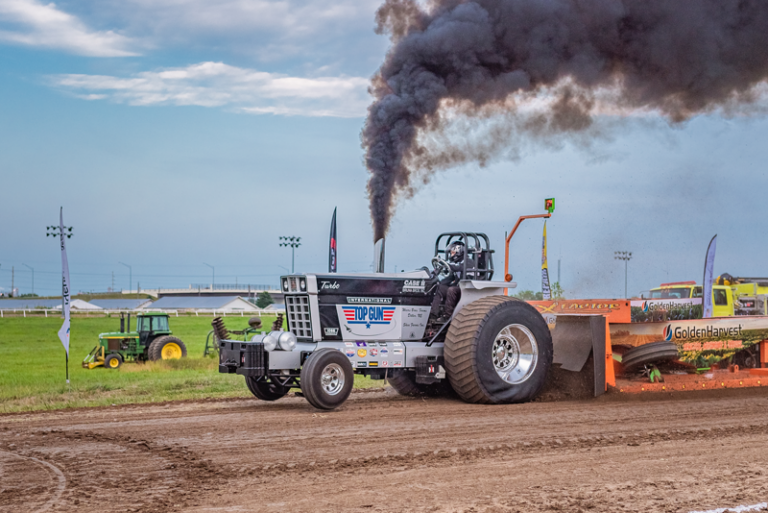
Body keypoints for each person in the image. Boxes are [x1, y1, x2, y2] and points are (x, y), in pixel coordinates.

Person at [429, 241, 475, 321]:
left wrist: (443, 263)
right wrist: (438, 282)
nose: (451, 254)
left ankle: (447, 316)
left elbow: (457, 267)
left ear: (459, 252)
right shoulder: (457, 263)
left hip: (468, 289)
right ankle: (433, 314)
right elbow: (450, 277)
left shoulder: (468, 262)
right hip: (459, 287)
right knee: (439, 287)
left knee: (451, 290)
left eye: (453, 252)